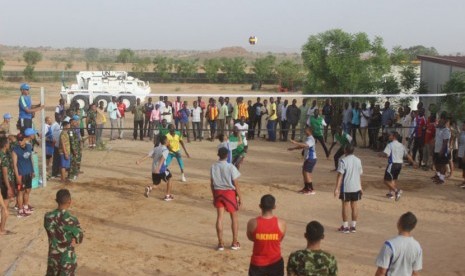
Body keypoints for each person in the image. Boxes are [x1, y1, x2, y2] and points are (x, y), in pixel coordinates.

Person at [44, 189, 84, 275]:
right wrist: (74, 239)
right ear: (70, 202)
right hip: (67, 261)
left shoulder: (48, 217)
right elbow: (80, 238)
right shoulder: (73, 220)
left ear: (56, 201)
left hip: (53, 260)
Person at [247, 194, 287, 276]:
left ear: (260, 206)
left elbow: (250, 237)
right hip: (275, 261)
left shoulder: (252, 223)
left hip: (257, 263)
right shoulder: (281, 223)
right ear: (274, 207)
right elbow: (280, 238)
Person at [211, 147, 242, 251]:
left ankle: (220, 243)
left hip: (218, 192)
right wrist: (240, 197)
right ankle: (234, 242)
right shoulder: (231, 167)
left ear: (218, 155)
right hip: (229, 193)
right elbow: (236, 183)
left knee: (220, 217)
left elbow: (212, 183)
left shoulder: (213, 166)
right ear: (227, 155)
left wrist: (214, 196)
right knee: (234, 217)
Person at [375, 212, 422, 276]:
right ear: (413, 227)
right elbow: (414, 272)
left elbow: (382, 271)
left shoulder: (389, 245)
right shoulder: (417, 247)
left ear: (399, 223)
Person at [334, 144, 363, 233]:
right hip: (356, 187)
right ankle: (353, 226)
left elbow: (340, 176)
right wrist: (360, 187)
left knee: (345, 206)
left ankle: (345, 226)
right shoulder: (358, 160)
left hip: (346, 187)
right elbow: (359, 174)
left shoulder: (343, 161)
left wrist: (337, 188)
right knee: (354, 206)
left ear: (345, 151)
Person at [380, 131, 416, 200]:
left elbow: (386, 154)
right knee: (393, 179)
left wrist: (380, 154)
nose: (389, 136)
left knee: (386, 180)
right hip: (399, 165)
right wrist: (413, 162)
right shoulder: (402, 145)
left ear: (394, 137)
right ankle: (391, 194)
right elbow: (407, 155)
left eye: (390, 135)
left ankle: (397, 191)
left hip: (392, 164)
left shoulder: (390, 145)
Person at [136, 135, 174, 201]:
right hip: (161, 169)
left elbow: (148, 155)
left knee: (156, 184)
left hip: (154, 169)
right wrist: (159, 168)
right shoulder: (165, 150)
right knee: (169, 179)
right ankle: (167, 196)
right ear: (165, 141)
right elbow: (162, 158)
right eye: (168, 140)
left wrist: (139, 160)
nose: (169, 141)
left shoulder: (156, 148)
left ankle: (149, 188)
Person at [12, 131, 36, 217]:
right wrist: (17, 175)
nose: (19, 141)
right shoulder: (15, 150)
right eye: (18, 140)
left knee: (28, 190)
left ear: (25, 139)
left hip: (28, 172)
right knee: (20, 192)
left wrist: (33, 171)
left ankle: (25, 206)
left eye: (21, 139)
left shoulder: (29, 146)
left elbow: (31, 159)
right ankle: (20, 210)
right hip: (21, 174)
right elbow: (14, 164)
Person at [288, 126, 317, 195]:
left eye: (306, 130)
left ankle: (311, 189)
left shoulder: (311, 139)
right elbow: (302, 146)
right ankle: (306, 188)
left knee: (307, 174)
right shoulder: (308, 138)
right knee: (304, 173)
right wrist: (293, 148)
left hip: (311, 158)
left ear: (309, 131)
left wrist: (295, 142)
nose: (304, 131)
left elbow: (306, 145)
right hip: (308, 158)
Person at [0, 137, 14, 234]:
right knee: (5, 205)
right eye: (8, 143)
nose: (9, 145)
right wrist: (9, 187)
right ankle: (2, 229)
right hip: (4, 182)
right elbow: (5, 173)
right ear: (5, 145)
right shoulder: (4, 156)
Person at [432, 115, 451, 185]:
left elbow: (445, 142)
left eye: (441, 122)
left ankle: (442, 179)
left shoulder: (446, 130)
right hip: (436, 149)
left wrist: (442, 151)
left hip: (443, 150)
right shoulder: (438, 129)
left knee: (442, 165)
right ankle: (439, 176)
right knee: (437, 164)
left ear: (444, 123)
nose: (439, 122)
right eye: (439, 121)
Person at [458, 122, 465, 188]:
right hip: (461, 152)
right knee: (463, 168)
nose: (463, 126)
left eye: (463, 125)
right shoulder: (462, 132)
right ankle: (464, 181)